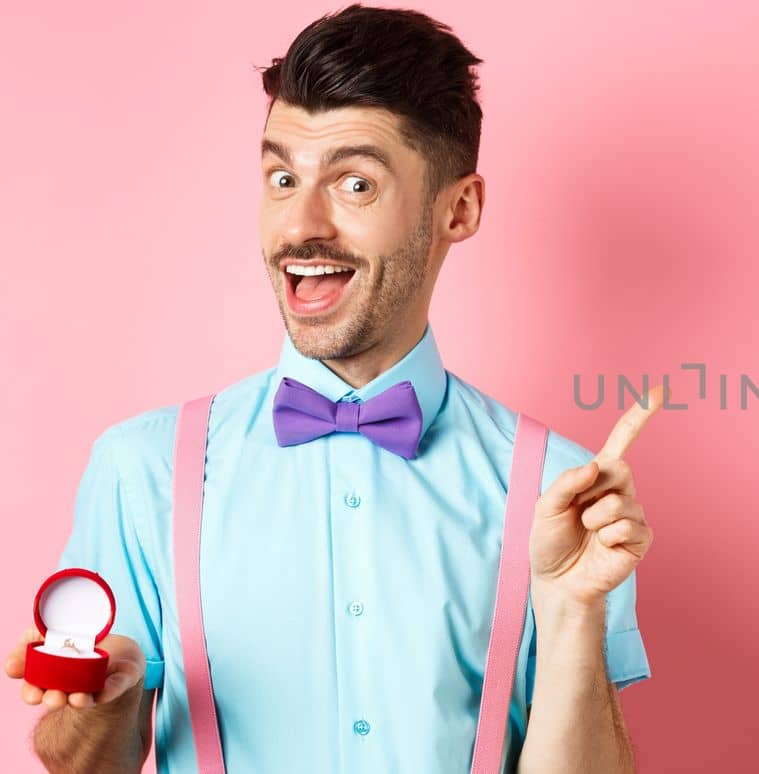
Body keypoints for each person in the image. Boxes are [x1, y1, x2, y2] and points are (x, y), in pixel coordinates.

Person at [2, 5, 659, 772]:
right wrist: (102, 704)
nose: (299, 226)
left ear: (460, 209)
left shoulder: (559, 492)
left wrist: (575, 611)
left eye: (354, 183)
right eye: (282, 177)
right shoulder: (141, 468)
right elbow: (83, 763)